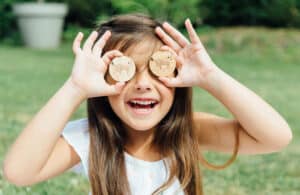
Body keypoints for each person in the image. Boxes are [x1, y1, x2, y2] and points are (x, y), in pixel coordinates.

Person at [2, 13, 292, 195]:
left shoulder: (189, 130)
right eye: (126, 70)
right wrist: (74, 88)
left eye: (158, 70)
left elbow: (276, 137)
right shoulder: (92, 138)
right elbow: (18, 172)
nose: (142, 83)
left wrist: (211, 76)